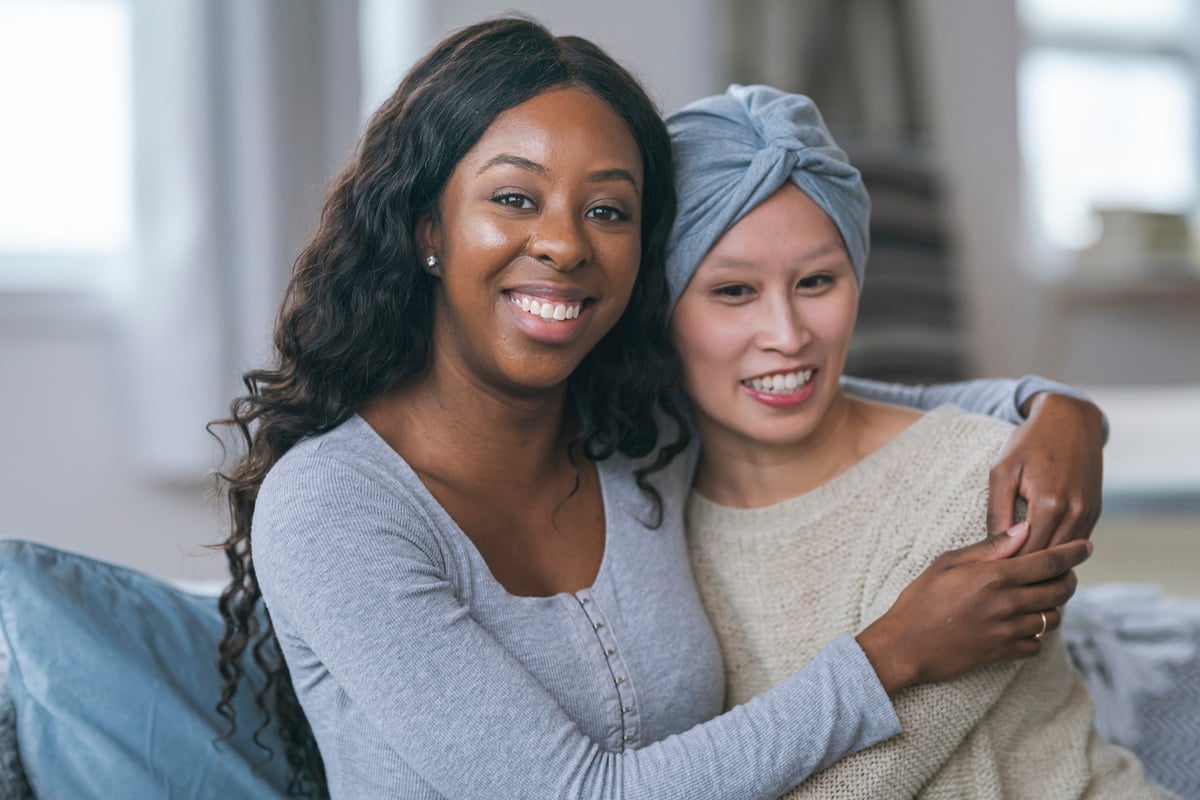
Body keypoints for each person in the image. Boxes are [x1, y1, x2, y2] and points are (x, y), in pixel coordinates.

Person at [212, 18, 1099, 800]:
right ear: (427, 228)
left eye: (608, 209)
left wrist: (1056, 411)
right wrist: (893, 653)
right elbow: (579, 793)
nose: (563, 243)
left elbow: (830, 392)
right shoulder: (335, 508)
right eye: (515, 198)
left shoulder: (637, 438)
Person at [667, 84, 1173, 798]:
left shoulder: (980, 483)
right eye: (733, 292)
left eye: (817, 281)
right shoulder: (649, 506)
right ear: (659, 306)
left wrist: (1065, 408)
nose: (786, 335)